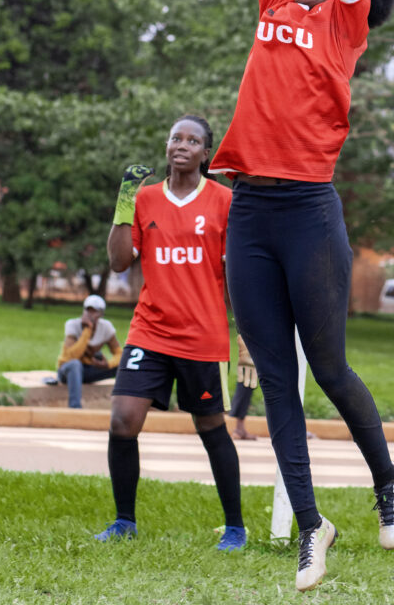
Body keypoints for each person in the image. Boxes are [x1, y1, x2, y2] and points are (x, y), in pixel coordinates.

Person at [209, 0, 394, 592]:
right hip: (249, 210)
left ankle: (387, 478)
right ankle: (310, 524)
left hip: (307, 213)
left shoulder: (344, 25)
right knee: (275, 379)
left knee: (328, 367)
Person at [96, 115, 246, 551]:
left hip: (203, 336)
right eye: (175, 137)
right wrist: (124, 204)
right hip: (150, 332)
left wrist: (248, 333)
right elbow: (120, 262)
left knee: (211, 426)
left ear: (206, 152)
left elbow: (237, 275)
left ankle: (235, 527)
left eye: (192, 139)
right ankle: (125, 521)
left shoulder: (224, 201)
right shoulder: (143, 199)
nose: (181, 144)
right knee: (123, 421)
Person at [56, 294, 122, 408]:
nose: (90, 314)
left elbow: (119, 354)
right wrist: (87, 330)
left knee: (124, 366)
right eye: (88, 310)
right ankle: (75, 409)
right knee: (75, 365)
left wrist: (107, 364)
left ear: (101, 314)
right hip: (67, 371)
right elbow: (71, 356)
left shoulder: (106, 327)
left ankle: (124, 407)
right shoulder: (72, 325)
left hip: (89, 370)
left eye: (94, 311)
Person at [229, 334, 258, 440]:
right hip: (253, 331)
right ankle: (238, 428)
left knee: (248, 378)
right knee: (248, 377)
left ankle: (239, 427)